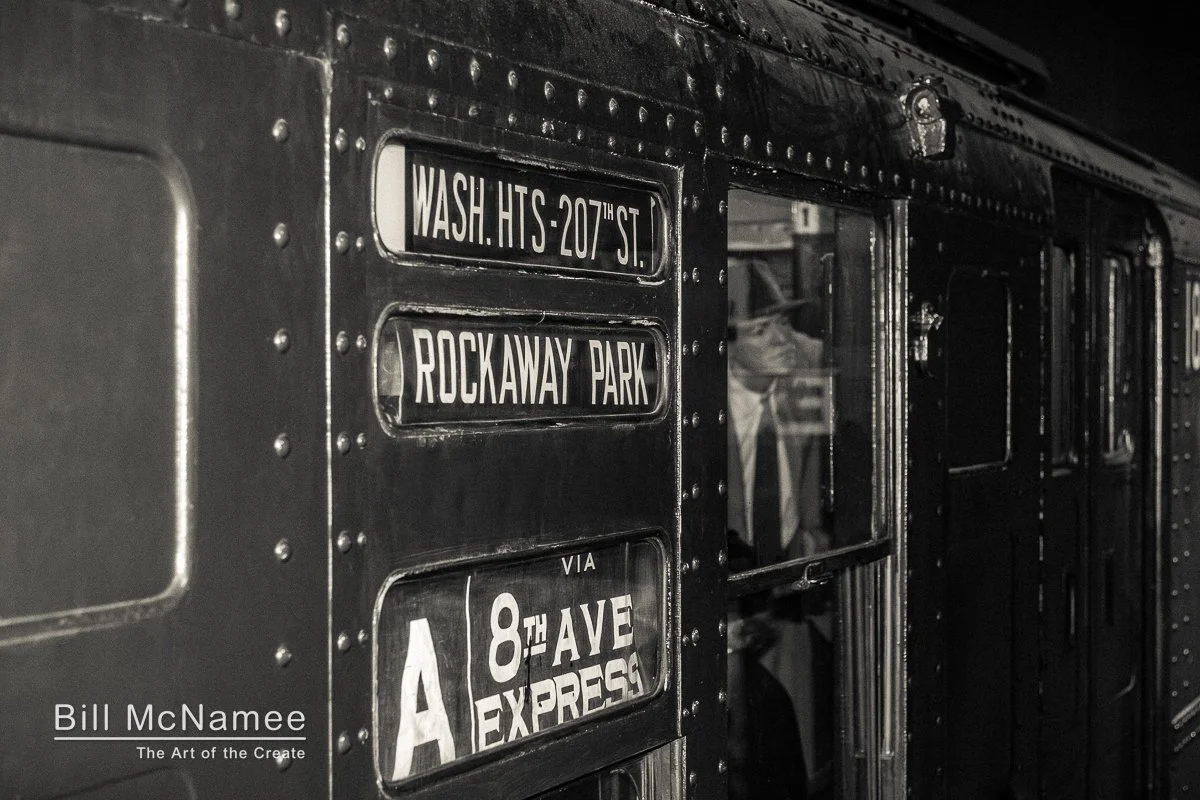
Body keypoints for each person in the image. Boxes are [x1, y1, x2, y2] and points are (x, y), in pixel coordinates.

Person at [726, 298, 830, 570]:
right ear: (727, 347)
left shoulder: (806, 378)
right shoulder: (702, 405)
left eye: (783, 323)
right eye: (760, 331)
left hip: (790, 561)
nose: (783, 340)